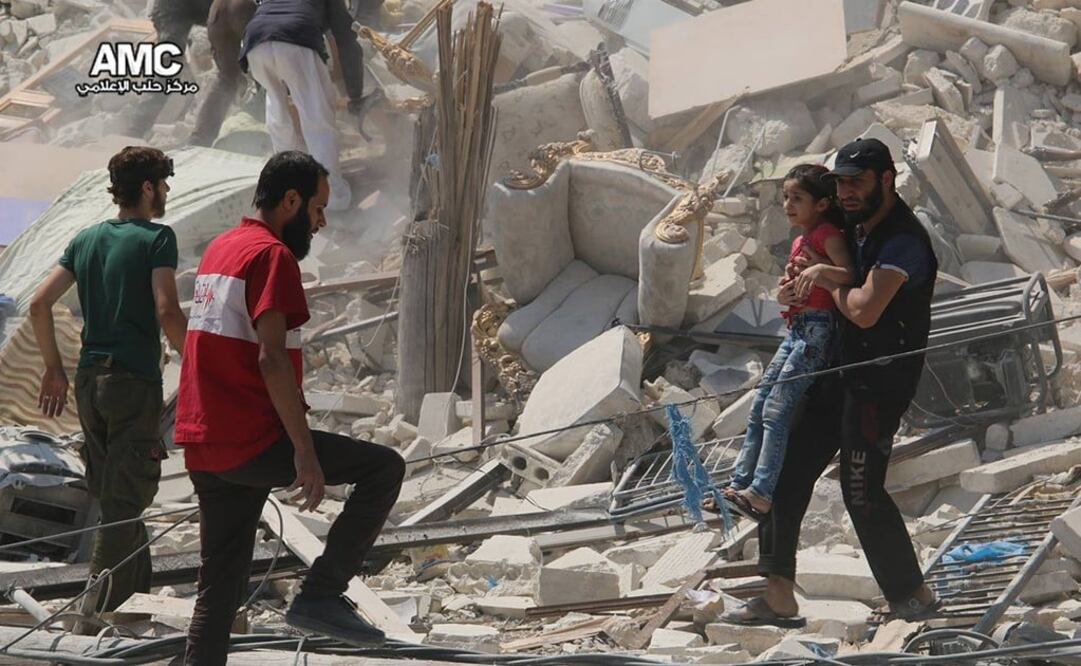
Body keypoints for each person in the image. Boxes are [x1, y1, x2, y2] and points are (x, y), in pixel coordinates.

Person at [176, 151, 404, 665]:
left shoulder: (222, 248)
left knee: (219, 591)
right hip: (249, 440)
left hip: (205, 444)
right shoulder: (270, 255)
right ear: (291, 200)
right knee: (384, 469)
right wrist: (304, 452)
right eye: (318, 208)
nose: (321, 222)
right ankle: (321, 596)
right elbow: (272, 359)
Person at [723, 138, 941, 627]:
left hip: (876, 384)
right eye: (839, 182)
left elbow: (864, 310)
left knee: (860, 490)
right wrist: (798, 284)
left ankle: (913, 595)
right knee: (785, 470)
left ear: (886, 179)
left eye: (856, 182)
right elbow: (816, 269)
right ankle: (778, 593)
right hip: (833, 371)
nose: (845, 191)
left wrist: (826, 281)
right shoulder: (851, 225)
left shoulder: (901, 240)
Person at [28, 146, 187, 618]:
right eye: (162, 183)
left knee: (118, 494)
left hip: (88, 381)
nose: (165, 192)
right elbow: (166, 310)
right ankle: (91, 616)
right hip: (132, 383)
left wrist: (53, 367)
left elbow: (38, 305)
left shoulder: (86, 239)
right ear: (146, 187)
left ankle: (133, 606)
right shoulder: (158, 239)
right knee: (124, 500)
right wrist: (199, 363)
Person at [720, 164, 852, 521]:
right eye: (785, 198)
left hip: (817, 331)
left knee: (778, 409)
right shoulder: (798, 241)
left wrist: (820, 269)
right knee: (760, 403)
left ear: (822, 204)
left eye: (798, 198)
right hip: (796, 327)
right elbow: (789, 291)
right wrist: (786, 293)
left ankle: (760, 493)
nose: (788, 205)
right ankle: (738, 485)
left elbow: (852, 274)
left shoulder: (828, 235)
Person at [238, 0, 366, 211]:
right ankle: (332, 196)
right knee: (318, 121)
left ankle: (285, 191)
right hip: (295, 38)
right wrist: (356, 94)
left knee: (278, 117)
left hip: (255, 40)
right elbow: (346, 38)